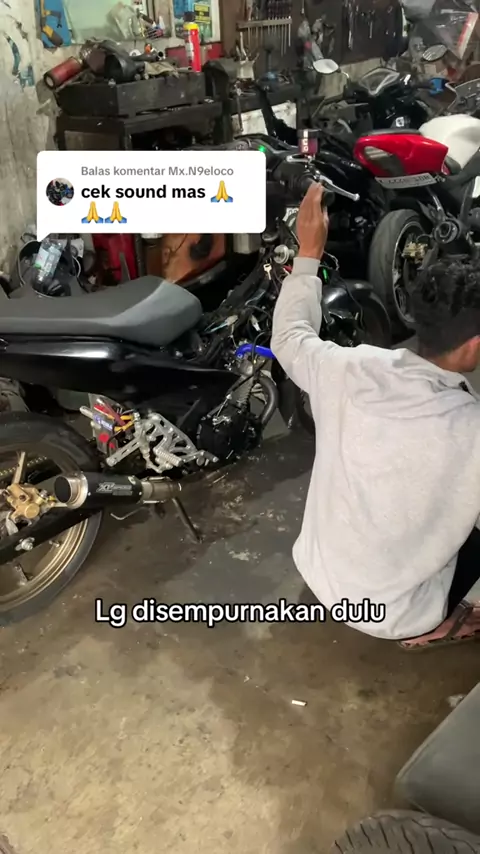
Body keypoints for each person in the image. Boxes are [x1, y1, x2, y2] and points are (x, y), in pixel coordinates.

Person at [271, 183, 480, 649]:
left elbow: (288, 337)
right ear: (473, 346)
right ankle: (438, 623)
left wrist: (309, 252)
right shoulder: (470, 429)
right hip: (394, 613)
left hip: (322, 575)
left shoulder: (348, 367)